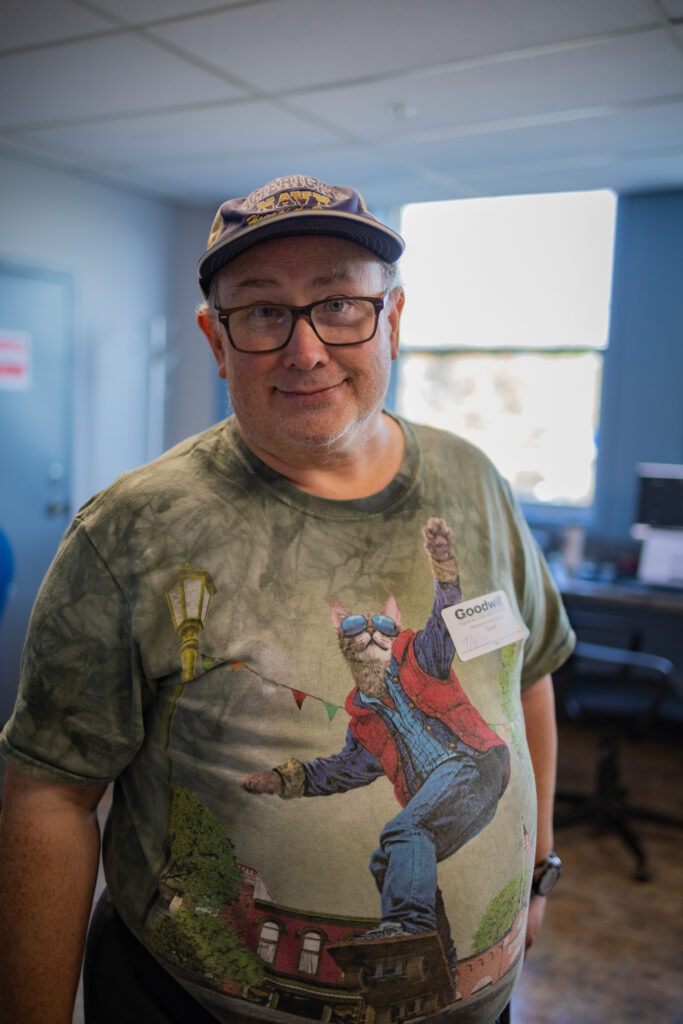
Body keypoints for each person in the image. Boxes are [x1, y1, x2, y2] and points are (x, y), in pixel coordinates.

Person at [0, 175, 573, 1024]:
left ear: (394, 317)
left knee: (401, 837)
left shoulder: (471, 481)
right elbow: (49, 795)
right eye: (264, 312)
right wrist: (286, 779)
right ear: (214, 337)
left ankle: (424, 947)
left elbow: (524, 673)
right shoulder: (132, 528)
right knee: (397, 847)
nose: (305, 351)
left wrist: (536, 871)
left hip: (476, 1008)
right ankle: (411, 934)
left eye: (340, 304)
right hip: (183, 1006)